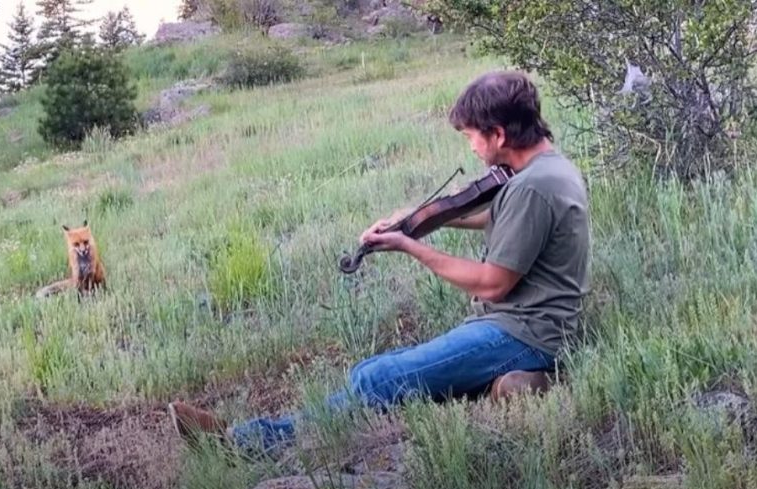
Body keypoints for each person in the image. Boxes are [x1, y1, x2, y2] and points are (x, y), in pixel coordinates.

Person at [168, 70, 591, 455]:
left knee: (379, 378)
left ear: (497, 133)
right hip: (529, 326)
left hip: (523, 332)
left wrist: (412, 248)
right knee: (388, 379)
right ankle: (519, 384)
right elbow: (495, 217)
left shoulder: (532, 188)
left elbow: (491, 284)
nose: (470, 145)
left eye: (470, 136)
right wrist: (412, 220)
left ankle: (242, 445)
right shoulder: (549, 170)